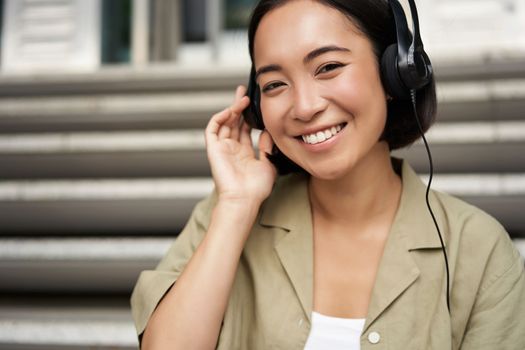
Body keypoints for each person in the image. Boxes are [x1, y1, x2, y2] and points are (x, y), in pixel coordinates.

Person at [130, 0, 525, 349]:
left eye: (329, 67)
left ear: (396, 74)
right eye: (274, 84)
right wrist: (236, 204)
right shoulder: (225, 216)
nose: (303, 107)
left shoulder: (479, 249)